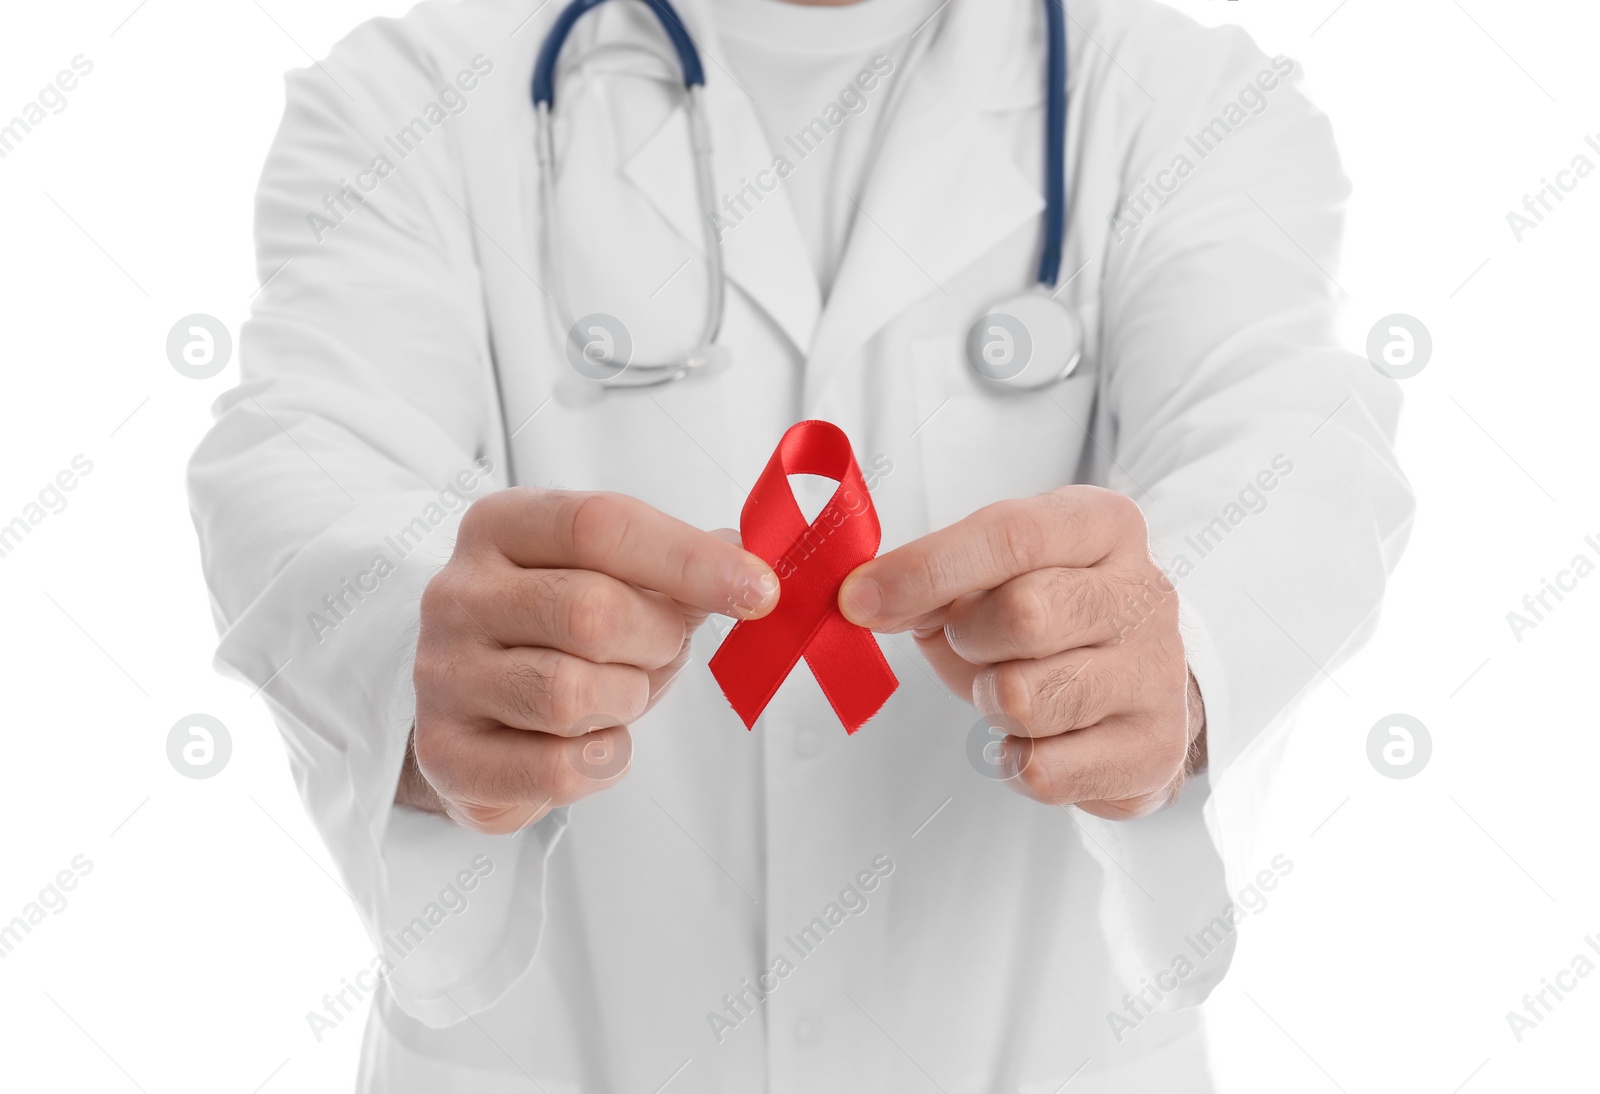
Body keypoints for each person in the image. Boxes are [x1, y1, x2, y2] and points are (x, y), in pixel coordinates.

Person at [187, 0, 1413, 1089]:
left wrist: (1176, 647)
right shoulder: (412, 100)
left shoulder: (1188, 101)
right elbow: (301, 458)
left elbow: (1289, 442)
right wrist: (417, 642)